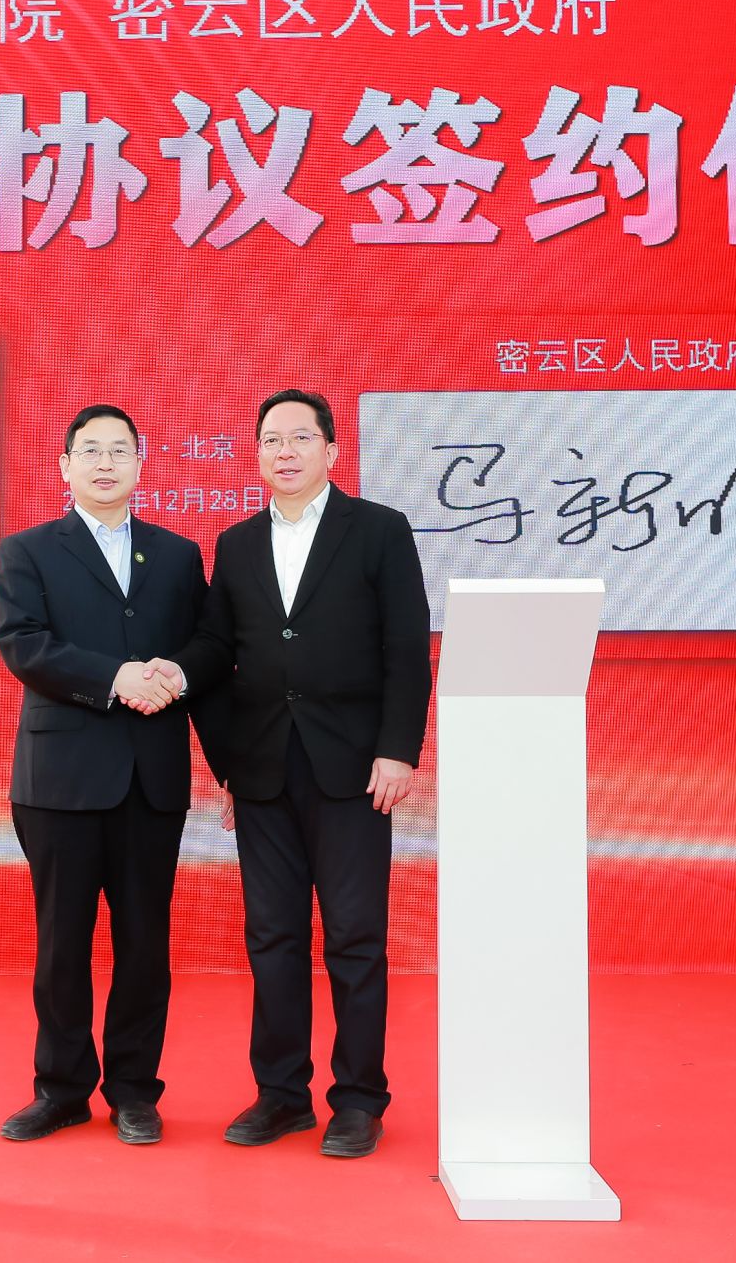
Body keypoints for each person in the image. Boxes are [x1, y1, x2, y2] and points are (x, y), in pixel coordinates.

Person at [154, 388, 431, 1159]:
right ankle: (281, 1094)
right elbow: (218, 649)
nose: (285, 450)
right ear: (256, 453)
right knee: (272, 936)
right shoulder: (237, 542)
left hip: (355, 768)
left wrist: (398, 749)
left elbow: (406, 646)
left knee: (354, 936)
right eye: (271, 439)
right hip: (263, 771)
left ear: (331, 450)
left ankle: (359, 1099)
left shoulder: (378, 530)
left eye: (300, 437)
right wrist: (178, 677)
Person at [0, 404, 215, 1146]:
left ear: (141, 464)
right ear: (65, 466)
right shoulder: (29, 550)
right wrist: (116, 677)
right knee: (63, 942)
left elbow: (208, 645)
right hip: (60, 779)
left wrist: (174, 675)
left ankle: (134, 1091)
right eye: (90, 450)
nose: (106, 462)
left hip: (152, 777)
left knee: (145, 943)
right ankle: (59, 1090)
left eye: (120, 450)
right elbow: (23, 643)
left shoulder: (177, 555)